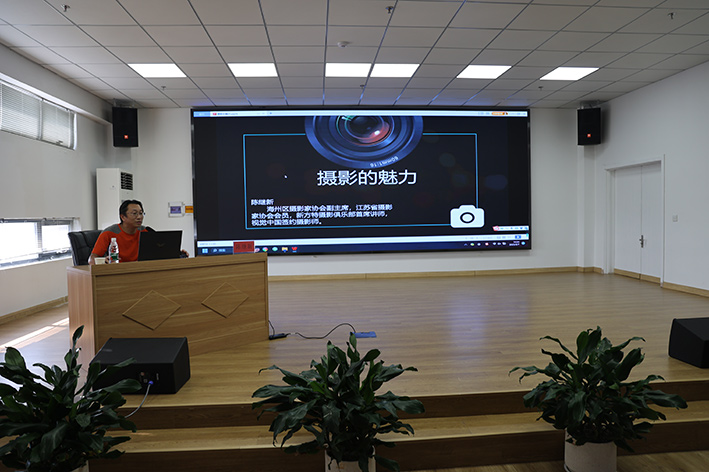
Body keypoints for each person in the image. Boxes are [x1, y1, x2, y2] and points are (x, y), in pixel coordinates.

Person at [89, 200, 150, 265]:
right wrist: (104, 261)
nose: (139, 217)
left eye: (141, 213)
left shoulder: (146, 231)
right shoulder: (109, 233)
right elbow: (92, 259)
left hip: (140, 268)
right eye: (134, 213)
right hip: (117, 269)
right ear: (123, 217)